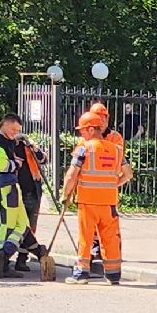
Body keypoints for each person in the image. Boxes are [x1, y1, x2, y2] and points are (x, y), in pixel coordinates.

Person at [62, 103, 131, 283]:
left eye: (83, 130)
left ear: (92, 129)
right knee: (110, 238)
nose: (81, 133)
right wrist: (113, 184)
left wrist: (65, 194)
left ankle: (81, 274)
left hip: (88, 202)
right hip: (109, 203)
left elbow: (71, 175)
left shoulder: (84, 148)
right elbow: (128, 173)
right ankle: (113, 275)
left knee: (85, 237)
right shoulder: (116, 149)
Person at [0, 115, 48, 278]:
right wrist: (17, 163)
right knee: (9, 225)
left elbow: (43, 159)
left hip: (14, 186)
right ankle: (2, 260)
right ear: (4, 125)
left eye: (18, 131)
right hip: (5, 186)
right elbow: (4, 166)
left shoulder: (14, 142)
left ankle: (25, 254)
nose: (16, 133)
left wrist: (29, 143)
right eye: (13, 129)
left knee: (22, 226)